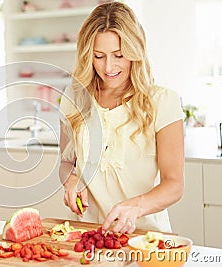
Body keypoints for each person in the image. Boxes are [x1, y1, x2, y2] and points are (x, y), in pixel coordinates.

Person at [59, 1, 184, 234]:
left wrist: (135, 207)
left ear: (135, 52)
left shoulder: (163, 101)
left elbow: (174, 184)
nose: (108, 67)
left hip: (144, 237)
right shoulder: (74, 97)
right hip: (86, 233)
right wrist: (71, 181)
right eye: (98, 56)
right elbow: (66, 163)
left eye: (119, 55)